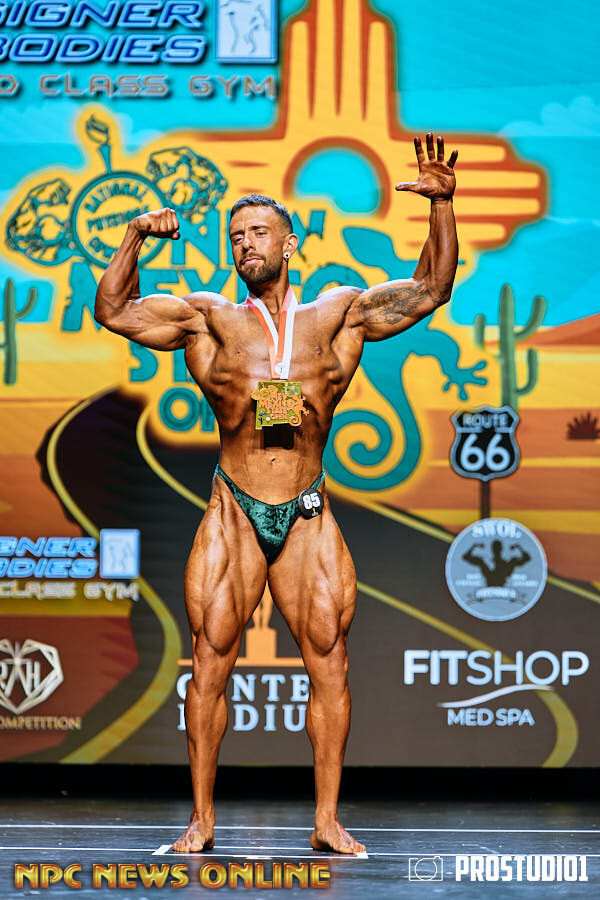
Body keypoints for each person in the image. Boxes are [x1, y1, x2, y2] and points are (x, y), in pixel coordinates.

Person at [94, 133, 458, 854]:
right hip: (234, 507)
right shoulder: (209, 318)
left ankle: (326, 821)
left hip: (307, 512)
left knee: (329, 656)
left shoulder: (338, 314)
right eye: (236, 237)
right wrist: (134, 234)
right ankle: (202, 819)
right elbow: (115, 310)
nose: (245, 245)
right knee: (211, 659)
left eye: (259, 233)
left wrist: (442, 207)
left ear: (290, 245)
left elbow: (430, 289)